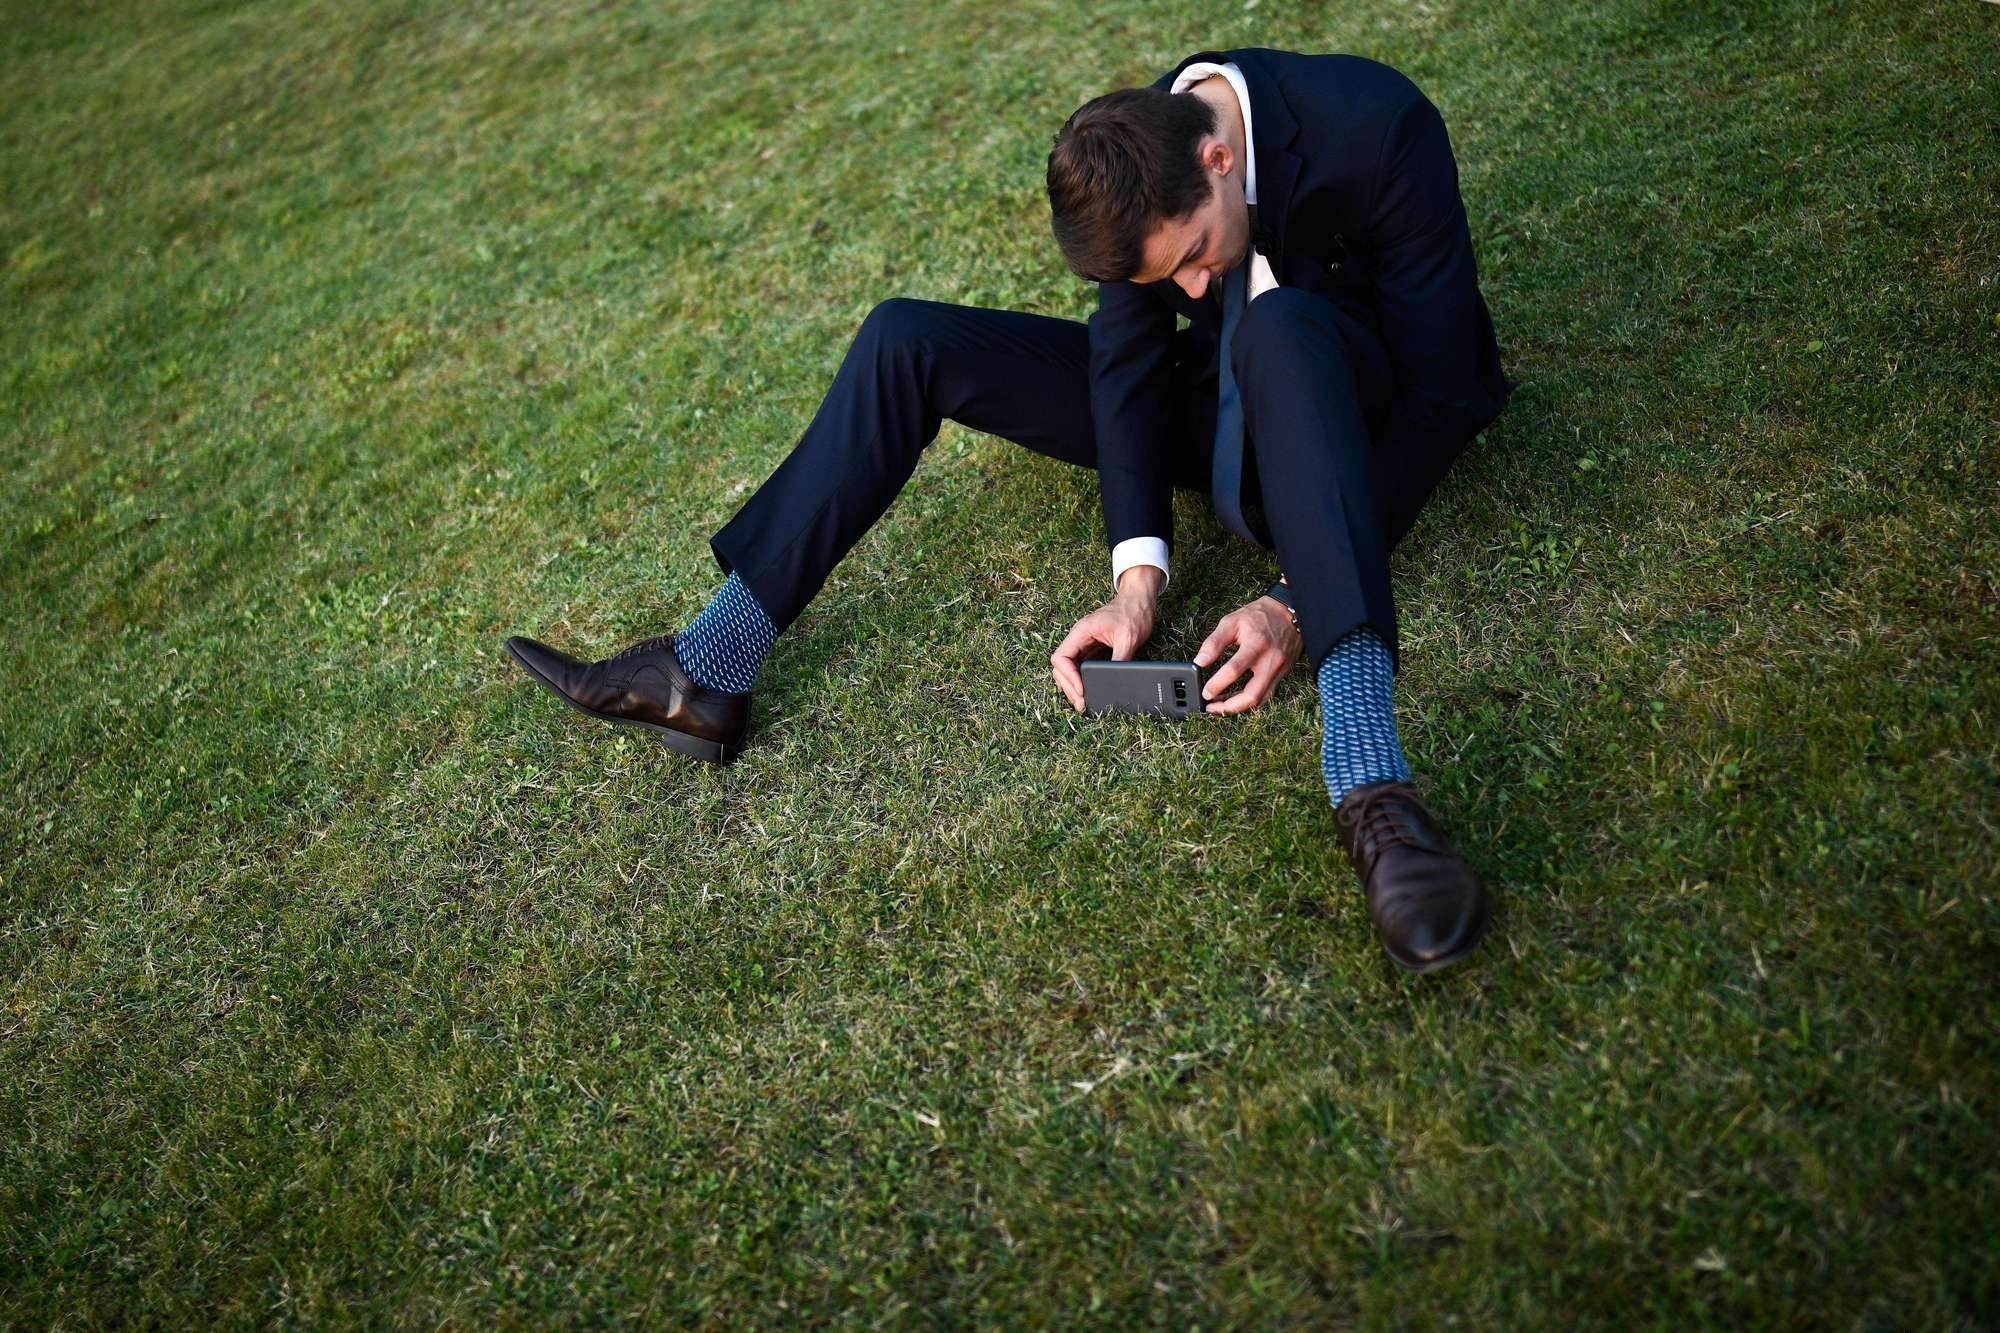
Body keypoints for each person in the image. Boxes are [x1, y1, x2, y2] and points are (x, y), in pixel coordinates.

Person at [505, 47, 1513, 973]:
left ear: (1216, 158)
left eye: (1198, 254)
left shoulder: (1375, 128)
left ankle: (1371, 790)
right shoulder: (1142, 149)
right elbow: (1124, 360)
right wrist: (1136, 578)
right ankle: (708, 665)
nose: (1197, 282)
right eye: (1172, 276)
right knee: (906, 339)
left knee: (1284, 323)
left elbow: (1446, 394)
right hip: (1214, 416)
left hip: (1345, 424)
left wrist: (1291, 598)